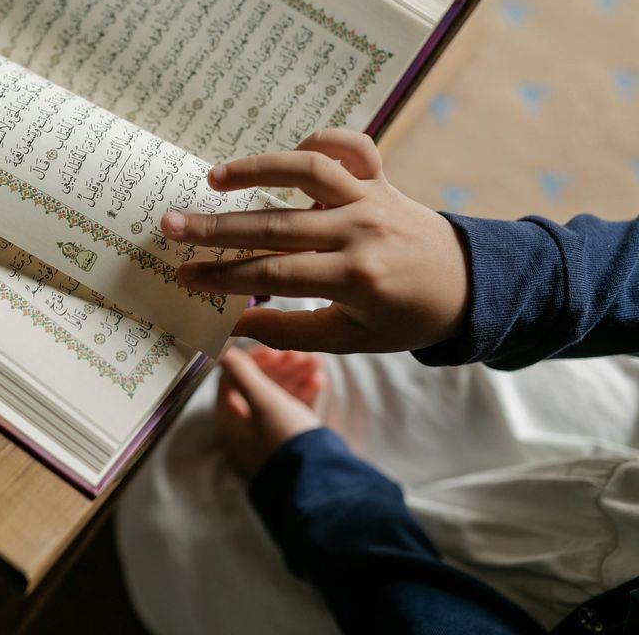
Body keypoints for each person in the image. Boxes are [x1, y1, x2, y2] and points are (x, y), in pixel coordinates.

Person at [114, 129, 639, 633]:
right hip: (616, 452)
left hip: (481, 604)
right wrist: (476, 275)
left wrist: (303, 472)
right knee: (324, 292)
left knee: (170, 514)